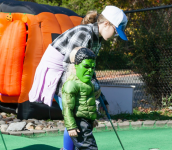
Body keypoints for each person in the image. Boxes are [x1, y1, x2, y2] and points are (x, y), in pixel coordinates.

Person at [29, 5, 128, 150]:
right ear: (106, 23)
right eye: (115, 30)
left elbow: (88, 70)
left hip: (70, 73)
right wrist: (90, 94)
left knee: (78, 116)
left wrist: (101, 97)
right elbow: (71, 66)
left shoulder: (97, 39)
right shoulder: (85, 34)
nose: (116, 35)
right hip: (59, 72)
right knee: (76, 114)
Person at [62, 47, 98, 150]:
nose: (90, 70)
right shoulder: (71, 84)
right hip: (78, 123)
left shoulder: (88, 84)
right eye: (86, 66)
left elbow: (88, 103)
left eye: (93, 67)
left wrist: (91, 119)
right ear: (76, 65)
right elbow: (67, 108)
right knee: (90, 148)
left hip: (85, 123)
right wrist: (71, 126)